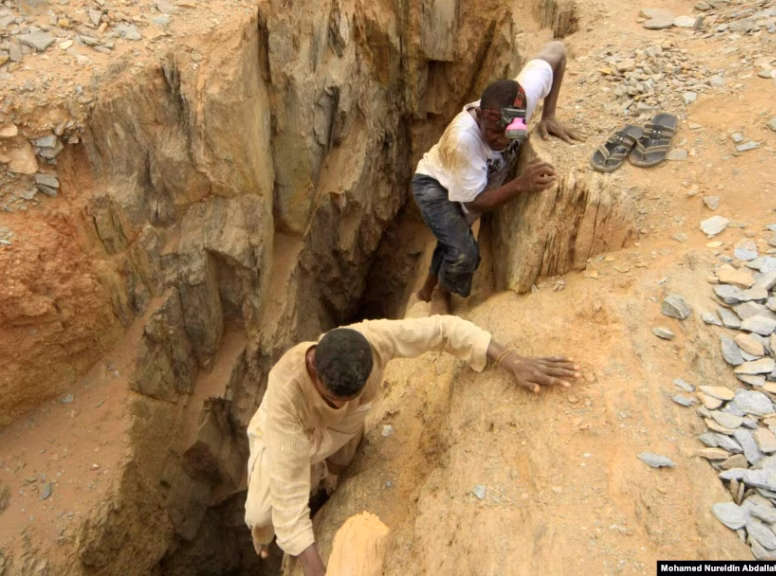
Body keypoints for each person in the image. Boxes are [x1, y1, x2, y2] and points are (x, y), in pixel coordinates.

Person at [244, 315, 578, 576]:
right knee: (263, 511)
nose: (353, 401)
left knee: (341, 465)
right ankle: (260, 541)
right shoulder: (285, 396)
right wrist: (315, 565)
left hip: (340, 434)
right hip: (289, 440)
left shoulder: (370, 340)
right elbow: (288, 491)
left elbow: (441, 330)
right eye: (340, 399)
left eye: (358, 396)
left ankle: (330, 479)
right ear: (316, 373)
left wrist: (509, 358)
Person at [412, 41, 582, 315]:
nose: (503, 140)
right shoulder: (463, 142)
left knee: (455, 234)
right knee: (465, 251)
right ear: (479, 115)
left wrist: (548, 114)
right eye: (494, 131)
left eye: (511, 131)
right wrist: (520, 184)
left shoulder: (520, 103)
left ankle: (427, 288)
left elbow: (557, 52)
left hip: (466, 180)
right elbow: (477, 203)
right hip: (434, 185)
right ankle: (441, 293)